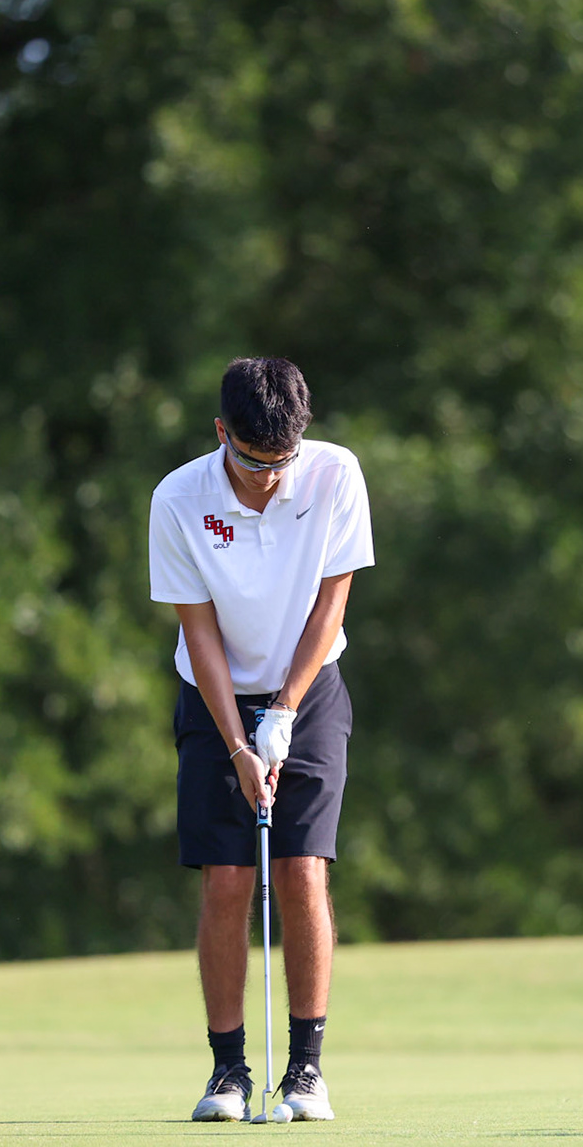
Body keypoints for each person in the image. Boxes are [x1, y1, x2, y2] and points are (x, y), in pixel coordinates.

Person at [147, 356, 374, 1123]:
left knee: (304, 871)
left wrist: (282, 712)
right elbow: (199, 634)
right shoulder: (179, 498)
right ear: (222, 435)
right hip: (214, 698)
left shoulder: (335, 474)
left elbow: (330, 606)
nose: (268, 479)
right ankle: (228, 1073)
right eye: (250, 461)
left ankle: (305, 1072)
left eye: (281, 462)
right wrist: (241, 745)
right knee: (228, 880)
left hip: (310, 692)